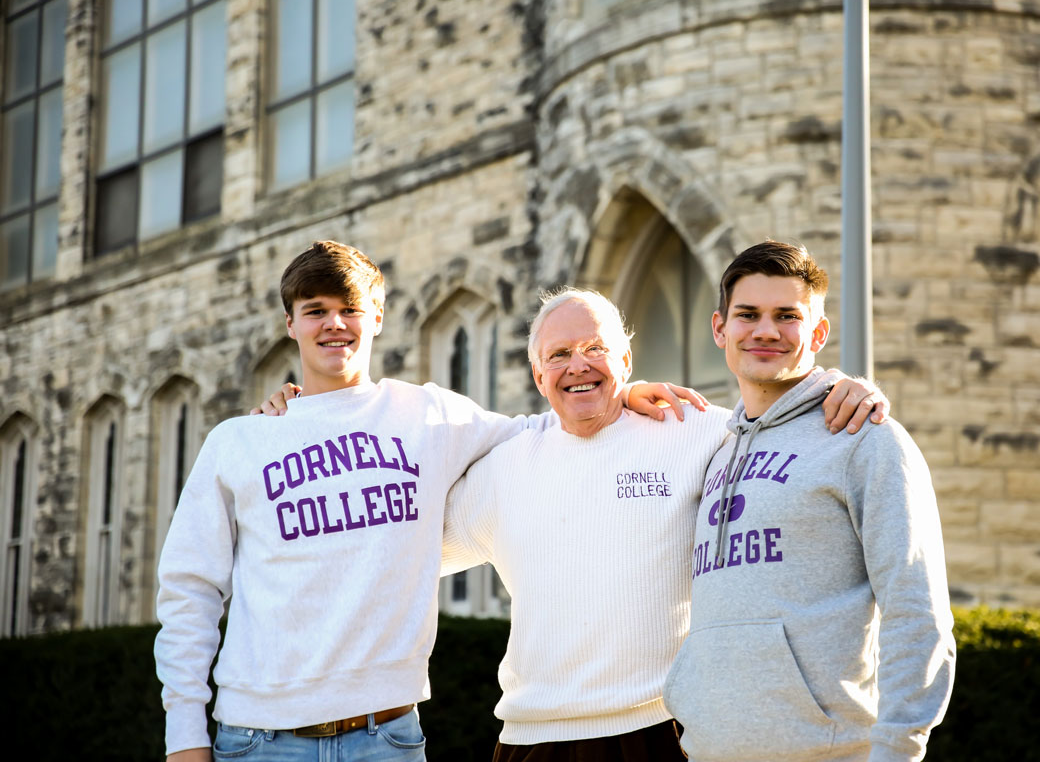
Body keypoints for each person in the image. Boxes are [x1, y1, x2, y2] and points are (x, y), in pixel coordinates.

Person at [154, 241, 698, 762]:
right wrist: (183, 736)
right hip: (258, 741)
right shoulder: (241, 441)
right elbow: (189, 590)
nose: (335, 324)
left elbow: (543, 428)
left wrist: (619, 393)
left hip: (386, 738)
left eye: (351, 308)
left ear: (379, 317)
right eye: (314, 310)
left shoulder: (428, 416)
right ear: (290, 323)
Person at [441, 288, 889, 762]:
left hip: (661, 731)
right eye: (559, 355)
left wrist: (840, 388)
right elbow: (404, 551)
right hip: (530, 738)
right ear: (537, 373)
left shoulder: (692, 429)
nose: (578, 366)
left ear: (627, 359)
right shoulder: (503, 468)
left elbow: (779, 424)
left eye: (596, 349)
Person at [662, 241, 955, 762]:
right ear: (719, 329)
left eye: (787, 316)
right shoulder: (712, 449)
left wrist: (897, 752)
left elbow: (916, 610)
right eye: (747, 314)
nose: (766, 331)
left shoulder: (865, 437)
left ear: (818, 332)